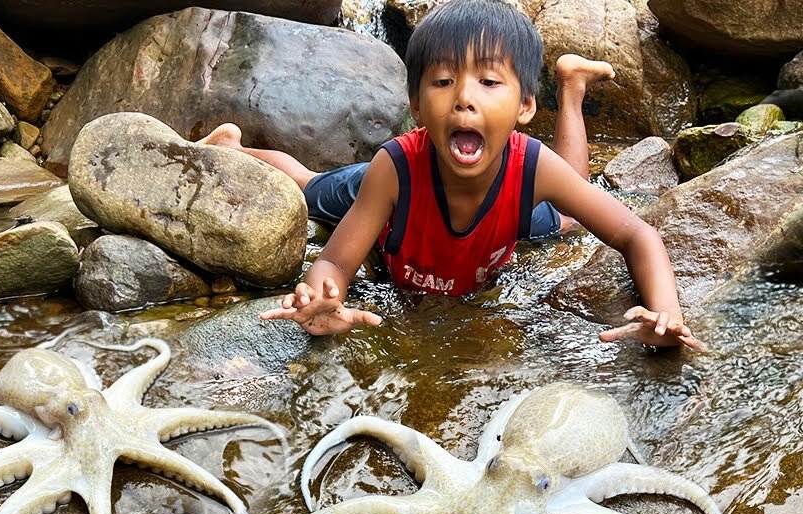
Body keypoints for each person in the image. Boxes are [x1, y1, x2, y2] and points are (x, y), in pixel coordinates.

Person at [200, 0, 702, 350]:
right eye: (443, 81)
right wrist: (319, 296)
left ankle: (570, 87)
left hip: (500, 206)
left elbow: (637, 234)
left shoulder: (531, 167)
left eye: (488, 81)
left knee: (572, 216)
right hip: (396, 198)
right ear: (417, 105)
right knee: (310, 187)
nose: (464, 97)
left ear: (526, 104)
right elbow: (334, 264)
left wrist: (666, 314)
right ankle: (236, 147)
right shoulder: (392, 170)